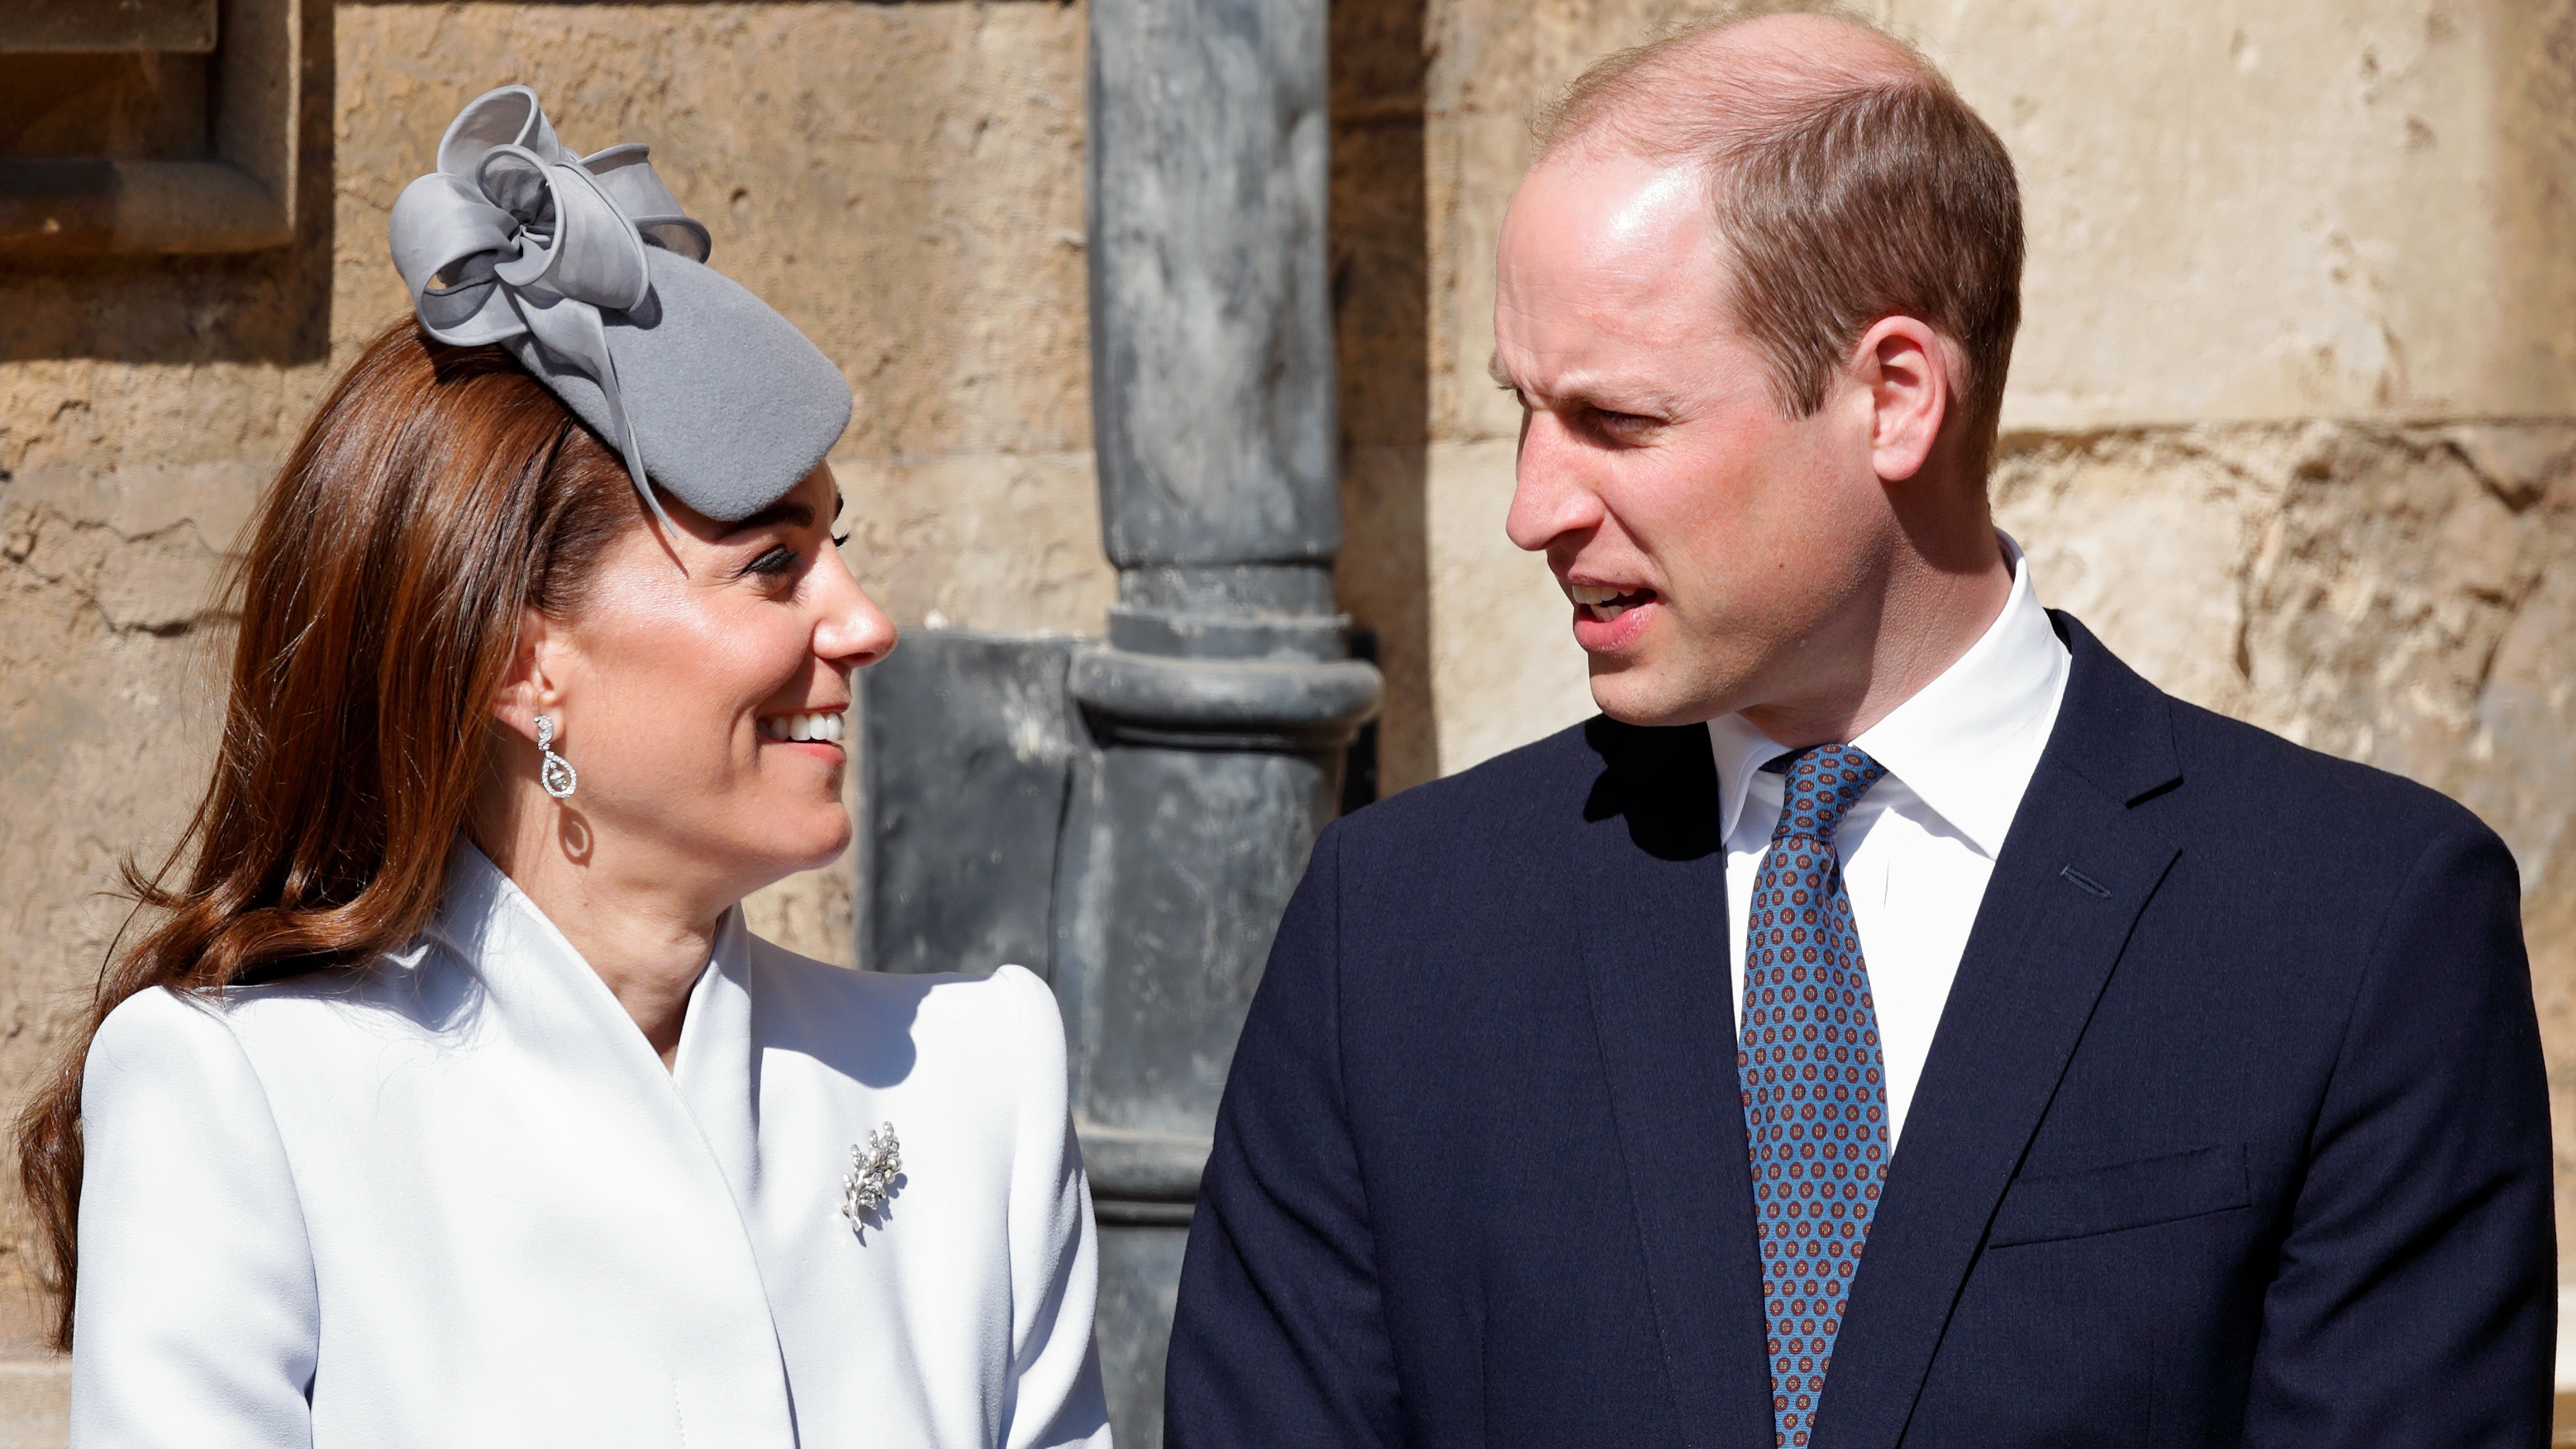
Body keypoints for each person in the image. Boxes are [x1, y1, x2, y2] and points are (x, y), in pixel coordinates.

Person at [1165, 13, 2554, 1447]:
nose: (1533, 507)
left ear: (1894, 395)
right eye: (1525, 410)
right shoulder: (1394, 931)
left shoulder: (2353, 923)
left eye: (1617, 421)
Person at [20, 86, 1111, 1449]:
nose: (864, 619)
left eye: (836, 542)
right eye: (773, 562)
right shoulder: (246, 1101)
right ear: (522, 661)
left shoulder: (970, 1082)